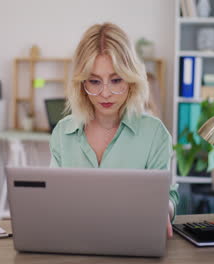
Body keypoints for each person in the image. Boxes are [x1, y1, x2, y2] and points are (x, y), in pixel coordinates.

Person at [49, 22, 179, 238]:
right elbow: (53, 198)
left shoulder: (155, 133)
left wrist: (164, 208)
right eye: (94, 81)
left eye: (116, 80)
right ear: (82, 84)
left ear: (131, 79)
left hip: (132, 243)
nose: (106, 93)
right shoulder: (63, 132)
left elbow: (168, 196)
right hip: (74, 243)